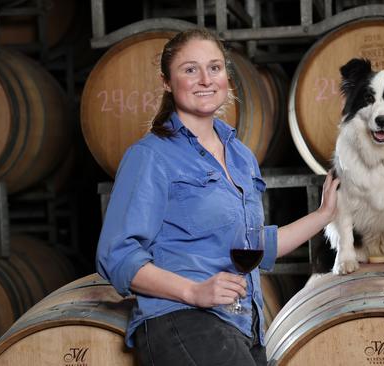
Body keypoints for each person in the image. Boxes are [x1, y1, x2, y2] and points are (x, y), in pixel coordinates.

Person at [96, 28, 340, 366]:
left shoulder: (240, 156)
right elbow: (117, 256)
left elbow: (254, 247)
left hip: (242, 325)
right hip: (182, 320)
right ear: (167, 81)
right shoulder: (150, 156)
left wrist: (324, 214)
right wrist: (193, 292)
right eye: (190, 69)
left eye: (214, 67)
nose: (205, 79)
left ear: (227, 76)